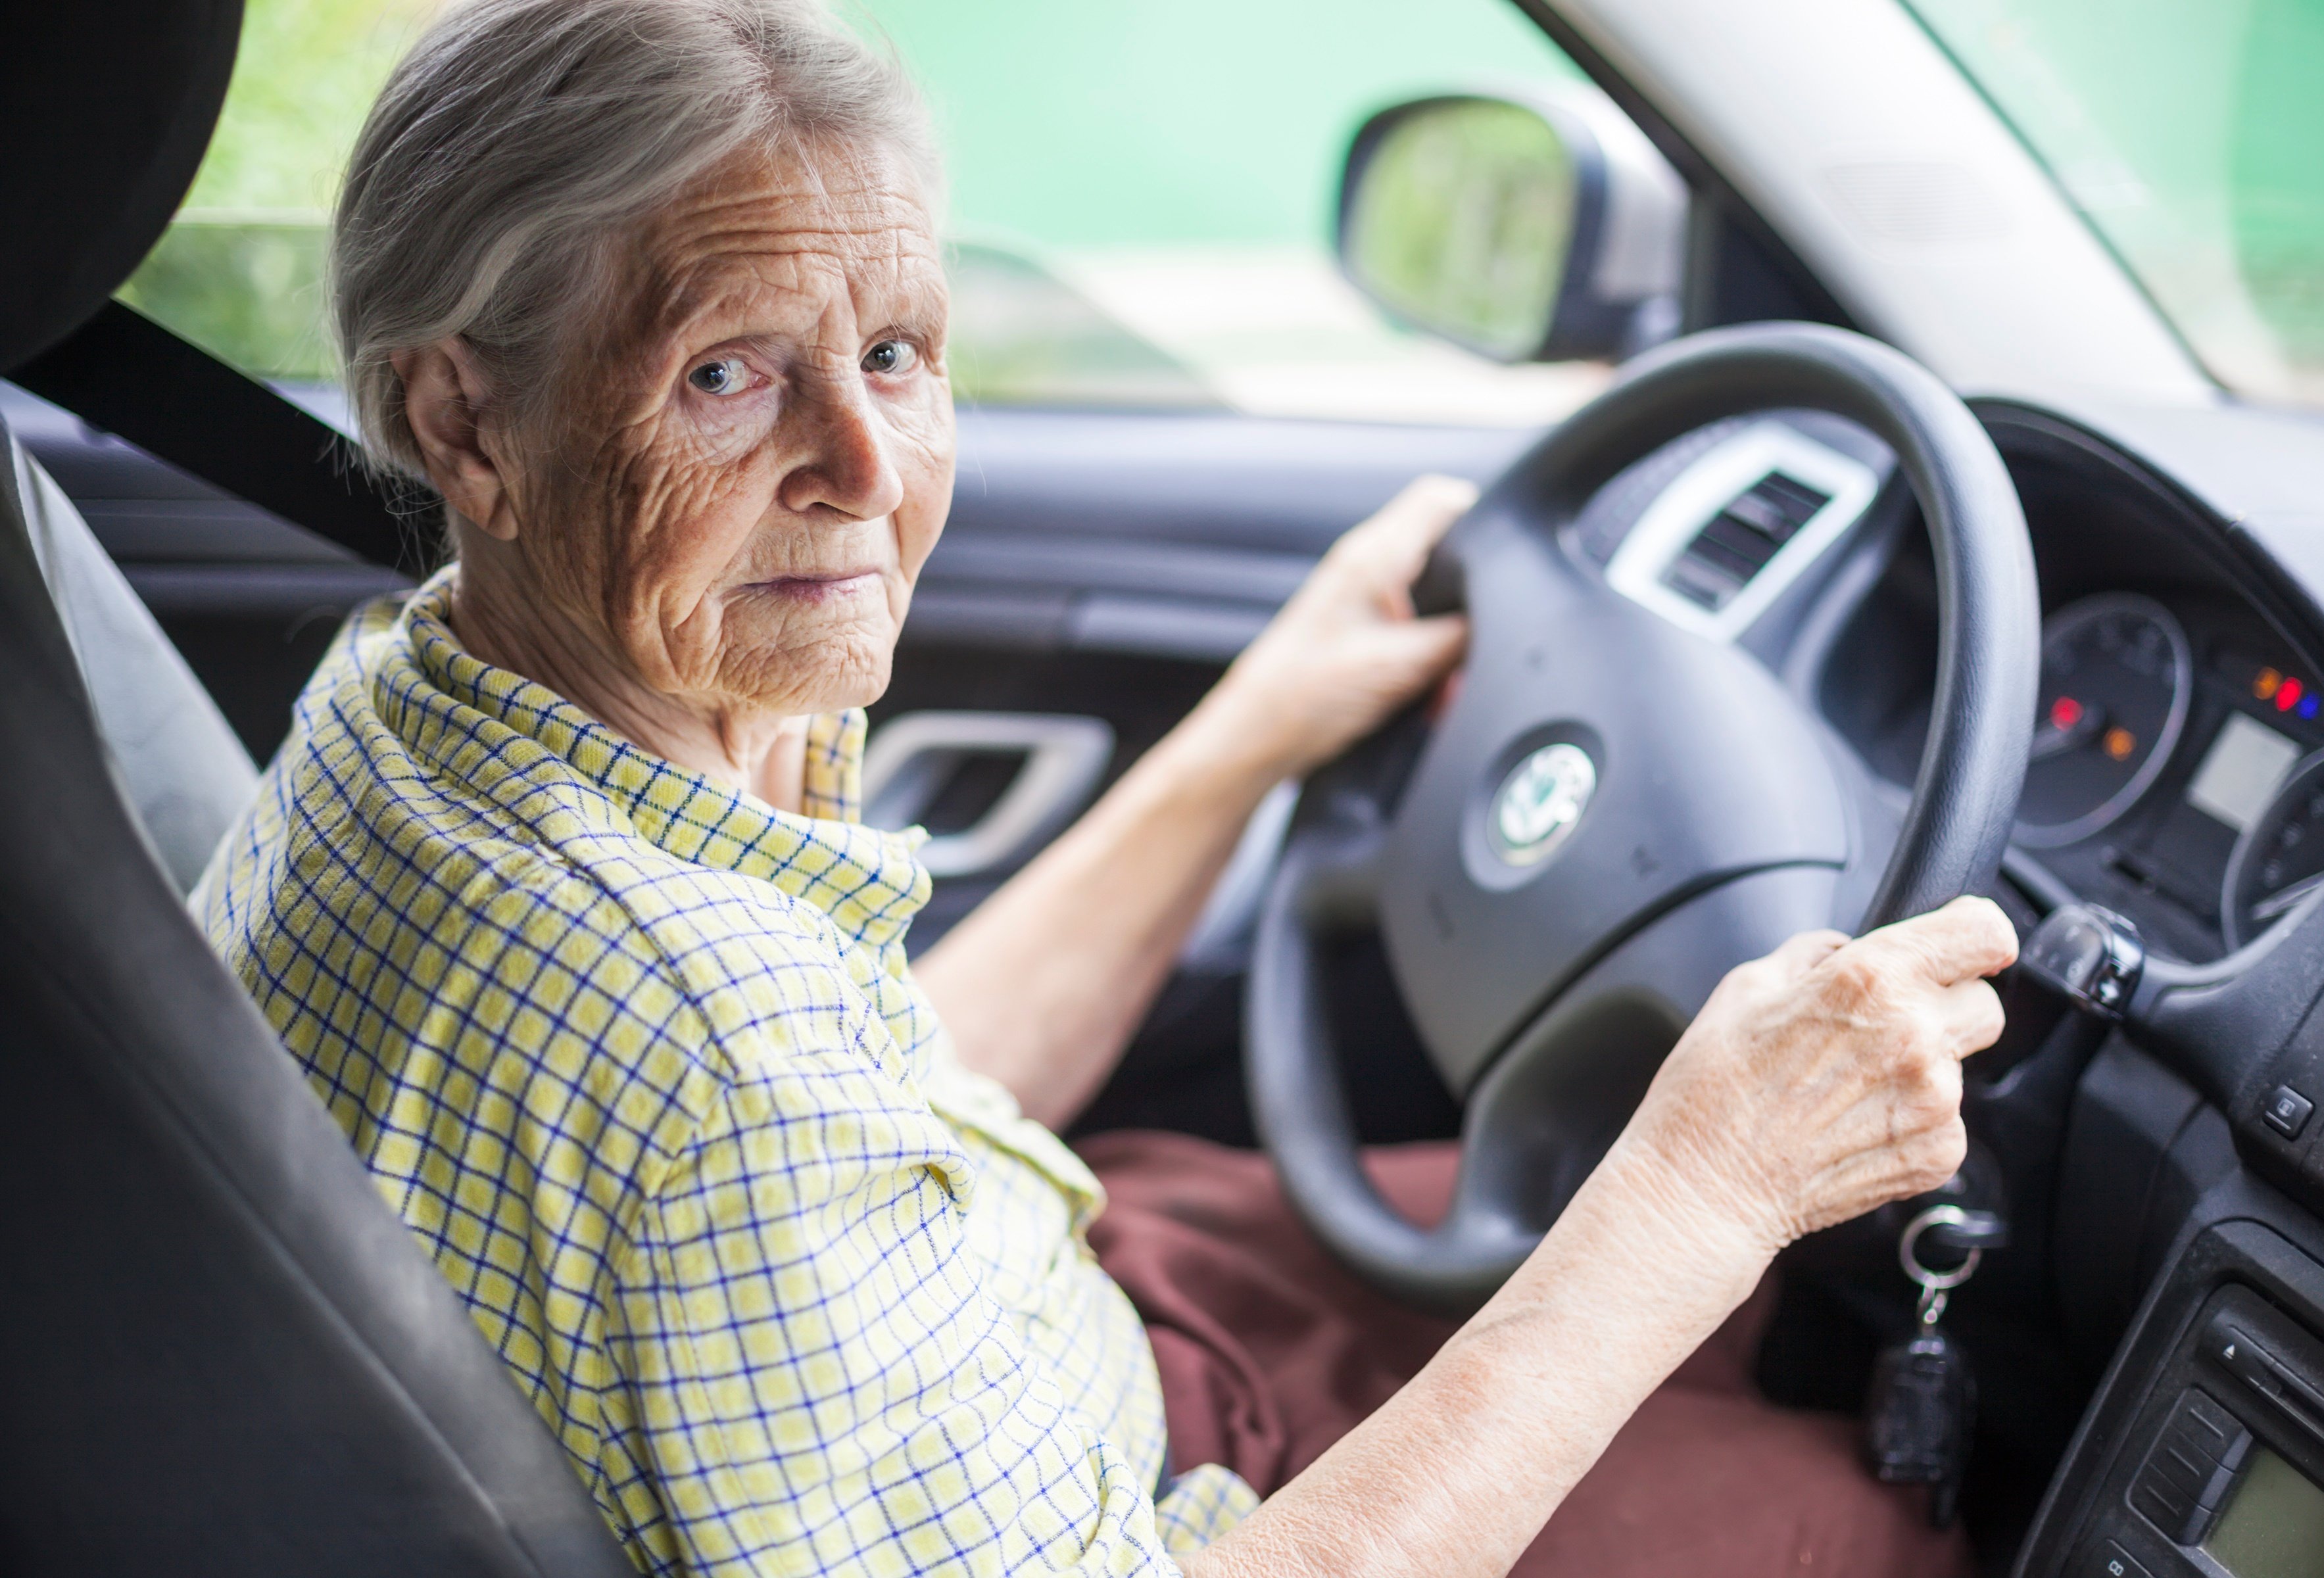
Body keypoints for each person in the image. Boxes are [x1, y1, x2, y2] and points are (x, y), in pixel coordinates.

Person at [195, 1, 2019, 1573]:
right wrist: (1702, 1183)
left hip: (1043, 1315)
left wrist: (1248, 733)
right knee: (1848, 1500)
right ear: (465, 428)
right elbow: (745, 1108)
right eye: (727, 374)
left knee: (1681, 1272)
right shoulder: (706, 1061)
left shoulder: (426, 698)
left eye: (898, 351)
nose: (867, 461)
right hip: (1157, 1497)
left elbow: (855, 1106)